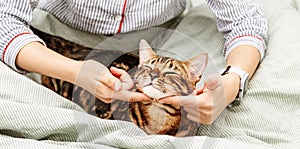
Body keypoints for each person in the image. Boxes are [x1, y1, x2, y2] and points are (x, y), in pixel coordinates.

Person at [0, 0, 267, 125]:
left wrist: (231, 85)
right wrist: (74, 71)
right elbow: (5, 20)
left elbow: (246, 20)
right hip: (55, 39)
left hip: (161, 39)